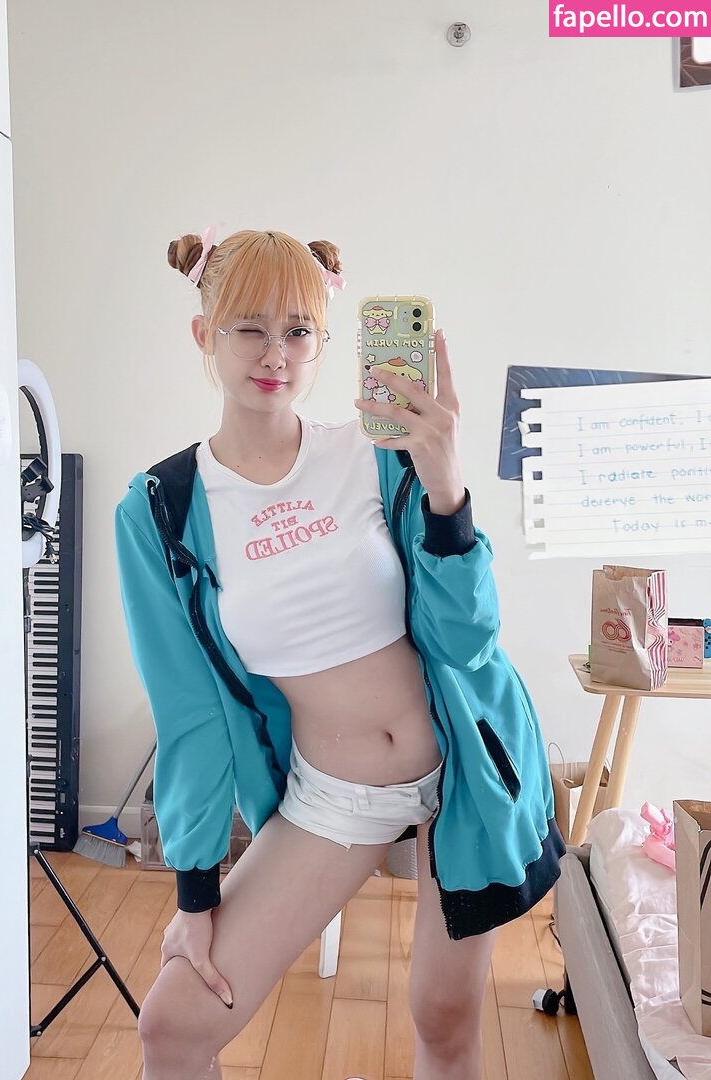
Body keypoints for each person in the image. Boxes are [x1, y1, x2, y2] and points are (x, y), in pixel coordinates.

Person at [114, 227, 565, 1080]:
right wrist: (197, 893)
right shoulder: (162, 510)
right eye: (250, 328)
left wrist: (447, 489)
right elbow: (190, 712)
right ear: (204, 333)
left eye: (298, 330)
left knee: (444, 1023)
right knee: (172, 1027)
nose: (275, 354)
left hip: (465, 765)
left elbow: (467, 640)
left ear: (323, 339)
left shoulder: (374, 453)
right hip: (335, 795)